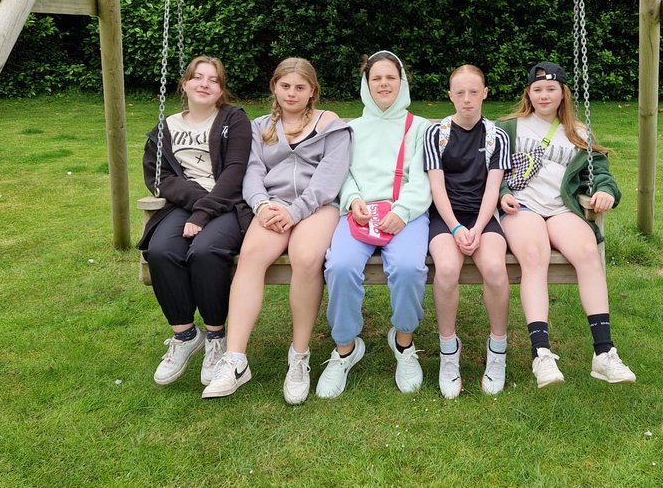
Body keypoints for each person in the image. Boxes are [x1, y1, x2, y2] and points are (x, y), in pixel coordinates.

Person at [201, 58, 352, 404]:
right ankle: (236, 359)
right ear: (274, 87)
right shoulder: (260, 127)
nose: (292, 93)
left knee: (306, 256)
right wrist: (261, 205)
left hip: (316, 207)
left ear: (312, 90)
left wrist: (296, 211)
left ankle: (299, 357)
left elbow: (329, 179)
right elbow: (251, 172)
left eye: (300, 87)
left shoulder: (332, 126)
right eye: (285, 86)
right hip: (271, 206)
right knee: (251, 256)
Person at [496, 61, 637, 388]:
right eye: (537, 89)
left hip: (562, 209)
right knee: (534, 256)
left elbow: (600, 172)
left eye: (551, 89)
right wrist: (503, 193)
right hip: (523, 206)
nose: (544, 95)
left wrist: (604, 191)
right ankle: (541, 354)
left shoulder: (579, 132)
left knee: (588, 251)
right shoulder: (510, 128)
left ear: (562, 93)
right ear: (528, 94)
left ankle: (604, 353)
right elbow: (491, 170)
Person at [317, 51, 432, 399]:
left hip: (405, 214)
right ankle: (346, 348)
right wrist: (354, 201)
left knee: (411, 267)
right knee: (340, 265)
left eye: (390, 78)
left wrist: (404, 210)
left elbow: (425, 177)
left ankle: (404, 341)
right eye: (376, 78)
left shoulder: (421, 127)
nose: (383, 84)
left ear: (402, 82)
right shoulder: (351, 128)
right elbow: (343, 174)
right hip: (360, 214)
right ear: (367, 84)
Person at [140, 55, 253, 387]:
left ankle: (216, 338)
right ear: (185, 84)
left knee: (205, 251)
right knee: (161, 251)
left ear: (221, 90)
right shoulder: (166, 128)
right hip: (185, 204)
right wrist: (195, 203)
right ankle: (185, 334)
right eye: (198, 77)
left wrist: (205, 212)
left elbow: (235, 172)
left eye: (214, 80)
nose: (205, 84)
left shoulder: (234, 120)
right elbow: (158, 177)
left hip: (228, 205)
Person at [423, 65, 512, 398]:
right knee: (445, 269)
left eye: (474, 92)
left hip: (482, 217)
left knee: (494, 268)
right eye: (459, 92)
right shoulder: (436, 134)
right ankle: (449, 349)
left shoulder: (496, 136)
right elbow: (436, 187)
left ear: (485, 93)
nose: (467, 99)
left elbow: (493, 189)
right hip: (445, 217)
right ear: (450, 95)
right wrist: (457, 227)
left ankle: (497, 349)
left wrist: (475, 227)